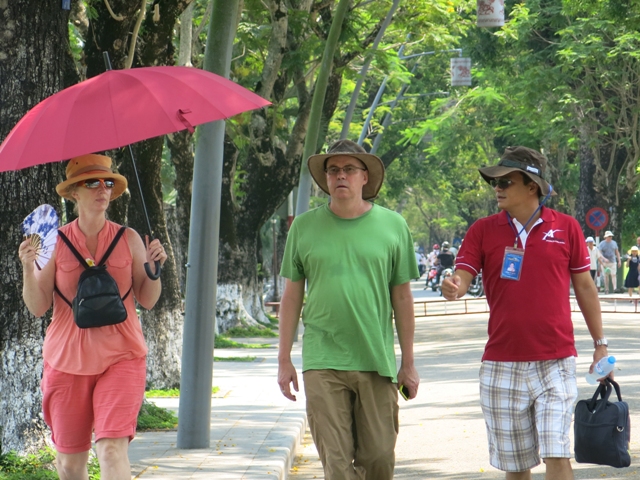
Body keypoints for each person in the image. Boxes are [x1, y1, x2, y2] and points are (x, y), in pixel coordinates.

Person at [441, 146, 607, 480]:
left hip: (556, 361)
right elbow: (463, 276)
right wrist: (454, 286)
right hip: (501, 363)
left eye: (506, 182)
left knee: (557, 452)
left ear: (532, 186)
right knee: (516, 467)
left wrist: (600, 344)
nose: (497, 188)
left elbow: (585, 288)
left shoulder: (567, 227)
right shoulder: (482, 230)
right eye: (495, 182)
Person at [18, 154, 167, 480]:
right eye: (92, 182)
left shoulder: (128, 238)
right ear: (74, 192)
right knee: (70, 465)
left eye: (108, 182)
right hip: (66, 360)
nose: (102, 188)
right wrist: (29, 268)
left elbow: (147, 299)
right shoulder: (55, 242)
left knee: (111, 450)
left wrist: (154, 271)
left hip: (122, 356)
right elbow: (38, 306)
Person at [277, 139, 420, 480]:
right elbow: (292, 296)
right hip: (322, 359)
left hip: (375, 359)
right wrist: (284, 360)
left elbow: (402, 298)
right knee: (338, 466)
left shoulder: (393, 225)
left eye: (349, 169)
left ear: (365, 177)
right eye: (333, 170)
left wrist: (408, 363)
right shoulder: (303, 227)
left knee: (380, 458)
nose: (340, 176)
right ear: (326, 178)